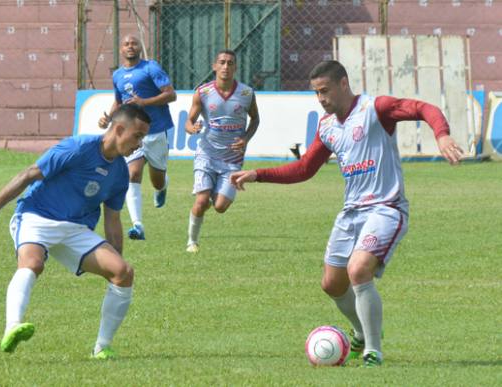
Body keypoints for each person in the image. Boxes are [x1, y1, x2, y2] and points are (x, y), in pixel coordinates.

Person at [230, 60, 464, 367]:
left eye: (325, 91)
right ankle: (360, 333)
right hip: (351, 213)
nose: (321, 99)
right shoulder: (327, 127)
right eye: (316, 93)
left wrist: (442, 134)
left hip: (386, 207)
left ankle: (373, 352)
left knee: (358, 270)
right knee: (332, 284)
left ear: (343, 84)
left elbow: (423, 108)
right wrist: (259, 174)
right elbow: (304, 169)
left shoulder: (375, 109)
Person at [0, 104, 151, 360]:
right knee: (33, 264)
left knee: (124, 274)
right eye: (138, 136)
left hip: (76, 229)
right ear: (120, 129)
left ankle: (102, 347)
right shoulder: (78, 148)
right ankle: (12, 326)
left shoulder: (120, 174)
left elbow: (112, 220)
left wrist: (117, 260)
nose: (139, 144)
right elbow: (28, 174)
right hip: (37, 215)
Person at [99, 34, 176, 241]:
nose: (130, 46)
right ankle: (138, 225)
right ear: (121, 49)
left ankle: (163, 186)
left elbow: (171, 94)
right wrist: (109, 119)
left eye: (133, 43)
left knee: (157, 180)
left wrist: (145, 102)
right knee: (132, 174)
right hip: (133, 133)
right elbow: (119, 102)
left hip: (157, 130)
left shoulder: (151, 68)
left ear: (139, 47)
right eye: (126, 44)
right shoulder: (117, 75)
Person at [184, 49, 260, 253]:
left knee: (220, 207)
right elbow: (188, 121)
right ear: (214, 66)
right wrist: (192, 128)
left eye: (230, 63)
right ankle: (192, 242)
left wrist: (245, 138)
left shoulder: (246, 93)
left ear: (235, 67)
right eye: (222, 62)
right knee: (201, 201)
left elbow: (255, 119)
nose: (226, 66)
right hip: (206, 154)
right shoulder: (203, 92)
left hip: (232, 159)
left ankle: (209, 195)